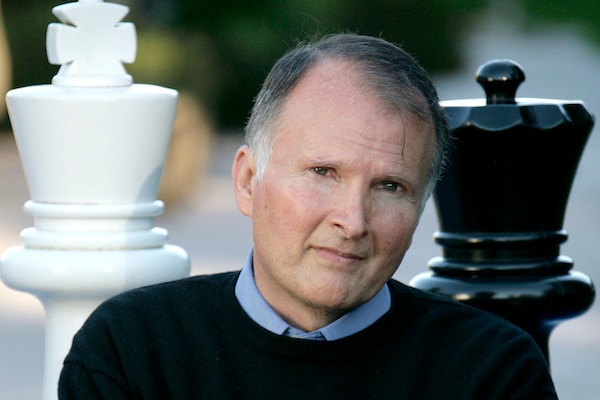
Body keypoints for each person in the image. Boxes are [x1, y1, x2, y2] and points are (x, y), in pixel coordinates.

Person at [58, 33, 557, 399]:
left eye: (390, 186)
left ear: (420, 208)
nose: (353, 220)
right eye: (323, 171)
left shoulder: (492, 373)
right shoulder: (132, 350)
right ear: (248, 180)